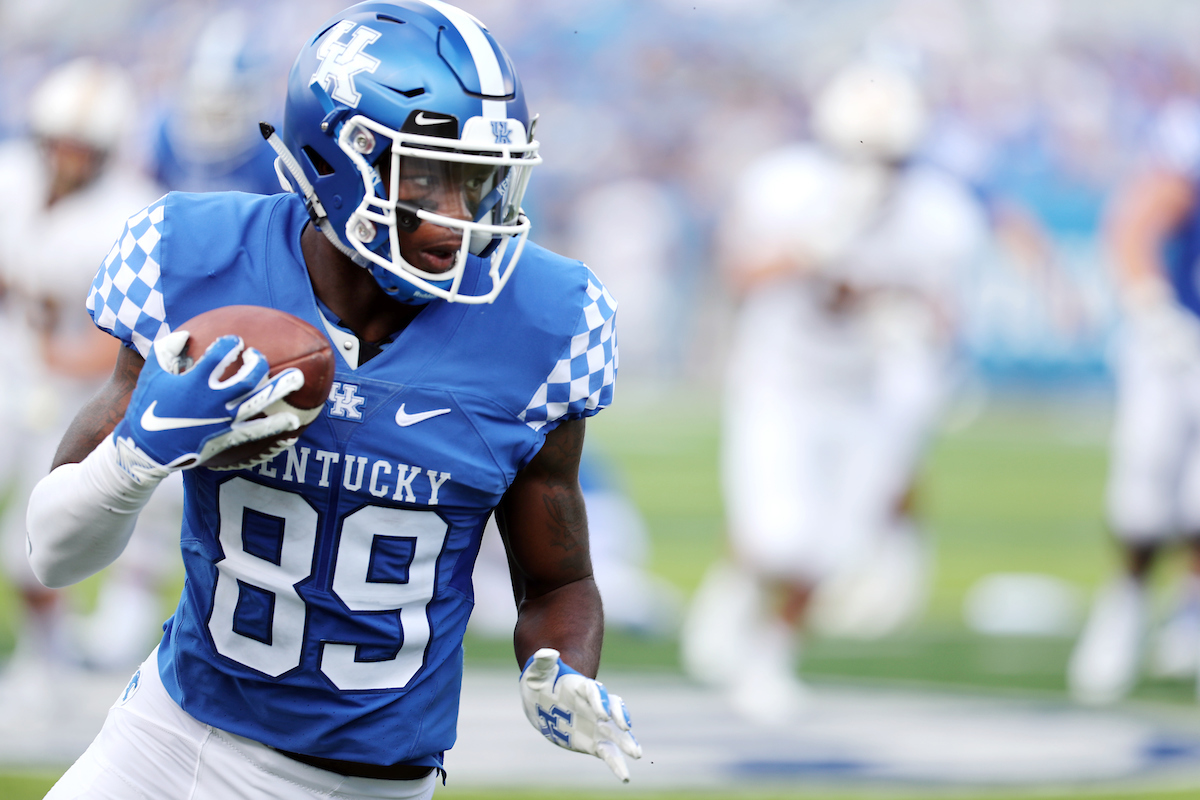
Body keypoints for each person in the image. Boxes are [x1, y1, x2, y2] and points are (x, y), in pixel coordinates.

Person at [25, 2, 640, 797]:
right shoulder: (194, 260)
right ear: (336, 157)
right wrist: (142, 453)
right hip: (166, 747)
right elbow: (54, 554)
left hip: (370, 785)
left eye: (481, 182)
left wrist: (560, 670)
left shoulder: (547, 323)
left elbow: (557, 584)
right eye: (428, 177)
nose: (460, 220)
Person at [679, 61, 986, 723]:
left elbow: (944, 312)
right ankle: (736, 582)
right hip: (780, 382)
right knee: (779, 534)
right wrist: (807, 252)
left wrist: (903, 316)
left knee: (834, 547)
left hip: (864, 390)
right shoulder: (785, 186)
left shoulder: (937, 211)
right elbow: (740, 271)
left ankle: (770, 654)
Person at [0, 57, 176, 698]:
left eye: (85, 147)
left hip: (75, 390)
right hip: (13, 367)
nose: (69, 158)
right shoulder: (13, 177)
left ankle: (49, 667)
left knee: (39, 529)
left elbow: (127, 348)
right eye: (61, 143)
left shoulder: (127, 213)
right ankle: (42, 663)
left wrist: (58, 360)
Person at [1068, 97, 1200, 705]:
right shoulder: (1185, 140)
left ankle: (1188, 611)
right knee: (1146, 487)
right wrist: (1150, 302)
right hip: (1175, 337)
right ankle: (1124, 605)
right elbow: (1139, 218)